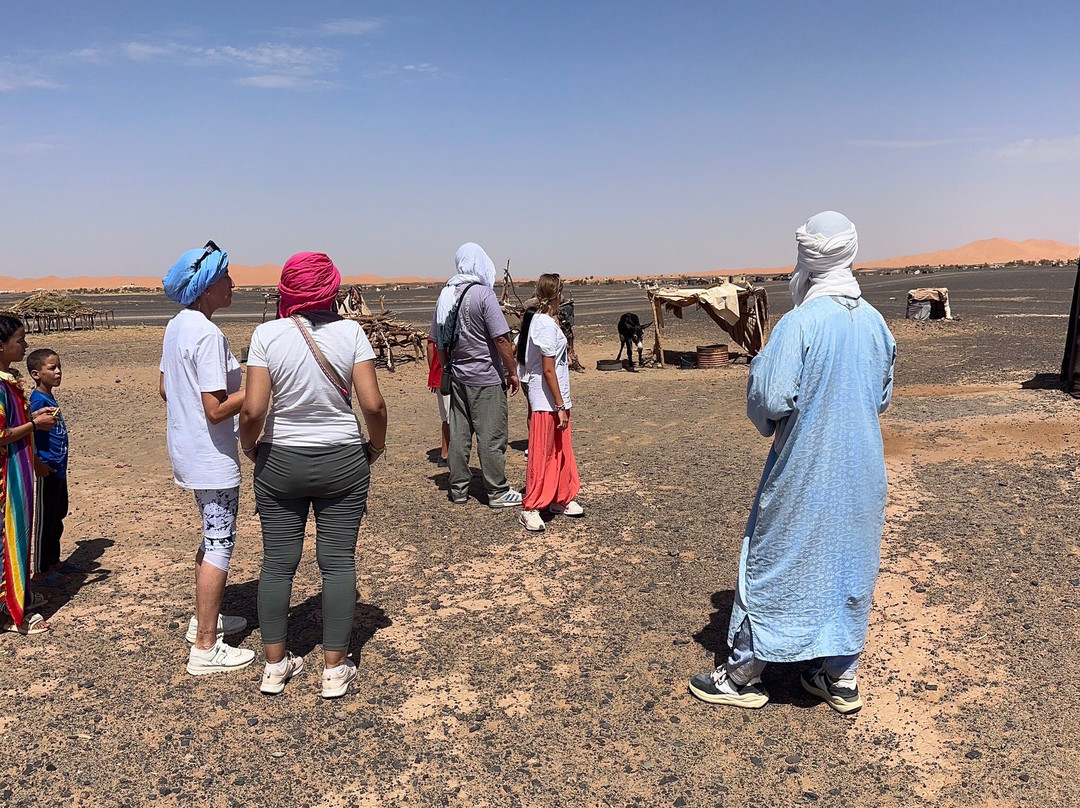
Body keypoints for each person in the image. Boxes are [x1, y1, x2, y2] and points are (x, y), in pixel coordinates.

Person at [688, 212, 896, 714]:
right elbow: (882, 398)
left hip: (804, 466)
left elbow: (768, 399)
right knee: (850, 560)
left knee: (777, 553)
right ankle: (839, 676)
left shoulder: (799, 324)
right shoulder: (876, 324)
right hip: (863, 467)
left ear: (807, 257)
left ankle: (743, 676)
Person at [240, 252, 387, 699]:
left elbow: (253, 408)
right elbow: (374, 405)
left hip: (280, 459)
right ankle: (334, 670)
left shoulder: (266, 334)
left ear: (288, 289)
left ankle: (274, 666)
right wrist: (375, 448)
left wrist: (251, 446)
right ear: (331, 288)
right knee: (338, 563)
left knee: (277, 563)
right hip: (342, 458)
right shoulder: (352, 333)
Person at [160, 241, 254, 675]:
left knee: (211, 534)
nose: (232, 284)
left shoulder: (176, 326)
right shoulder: (207, 333)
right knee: (220, 543)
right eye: (225, 278)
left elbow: (164, 388)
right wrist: (256, 391)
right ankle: (205, 647)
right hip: (212, 457)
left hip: (189, 451)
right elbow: (216, 408)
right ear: (205, 287)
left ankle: (206, 620)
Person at [432, 243, 521, 508]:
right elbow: (502, 339)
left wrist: (448, 368)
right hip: (485, 378)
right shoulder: (483, 295)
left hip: (458, 376)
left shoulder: (445, 295)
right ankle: (497, 491)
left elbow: (438, 342)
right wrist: (512, 371)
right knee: (491, 435)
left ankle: (458, 489)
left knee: (458, 434)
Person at [0, 316, 57, 635]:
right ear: (2, 345)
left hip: (18, 471)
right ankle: (9, 612)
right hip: (6, 477)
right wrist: (34, 426)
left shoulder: (8, 379)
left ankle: (17, 595)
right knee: (6, 537)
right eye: (20, 340)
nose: (25, 345)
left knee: (17, 535)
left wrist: (31, 417)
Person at [517, 274, 583, 532]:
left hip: (557, 398)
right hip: (547, 400)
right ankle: (532, 504)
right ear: (557, 295)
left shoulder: (544, 321)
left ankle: (559, 496)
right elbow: (547, 370)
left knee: (560, 449)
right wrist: (558, 405)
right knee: (542, 451)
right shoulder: (544, 325)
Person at [27, 348, 69, 588]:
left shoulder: (49, 397)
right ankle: (41, 570)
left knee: (58, 515)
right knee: (45, 520)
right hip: (47, 468)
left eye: (59, 367)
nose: (58, 372)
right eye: (52, 368)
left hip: (59, 467)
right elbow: (30, 435)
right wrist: (38, 463)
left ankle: (54, 561)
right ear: (36, 374)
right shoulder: (37, 401)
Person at [425, 336, 450, 467]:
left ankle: (445, 453)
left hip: (441, 375)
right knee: (452, 417)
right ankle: (447, 454)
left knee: (446, 417)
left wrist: (433, 372)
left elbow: (430, 347)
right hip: (450, 375)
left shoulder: (438, 321)